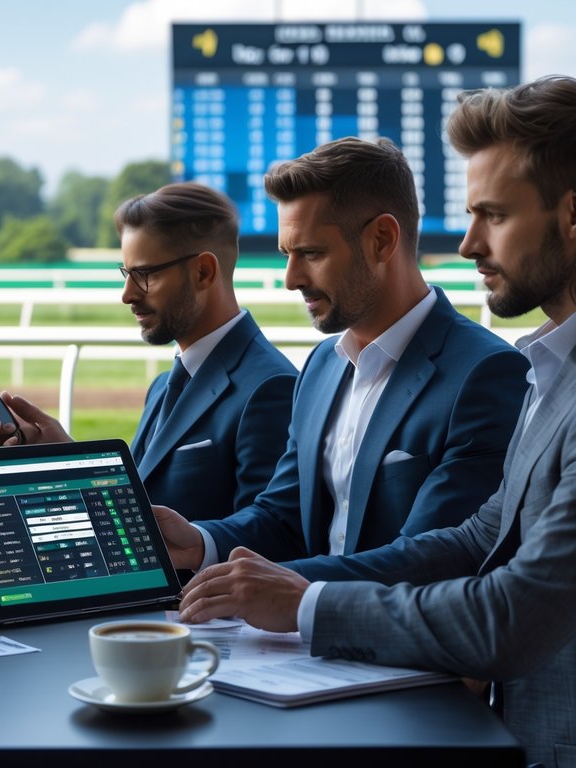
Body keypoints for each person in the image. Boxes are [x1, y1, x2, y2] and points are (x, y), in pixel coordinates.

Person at [174, 75, 576, 768]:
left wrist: (305, 606)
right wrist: (238, 569)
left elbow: (510, 614)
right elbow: (479, 534)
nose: (468, 244)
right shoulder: (551, 368)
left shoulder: (496, 371)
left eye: (494, 215)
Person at [153, 137, 530, 574]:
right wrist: (201, 543)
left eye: (311, 253)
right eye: (287, 255)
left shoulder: (487, 374)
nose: (292, 279)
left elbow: (434, 560)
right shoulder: (320, 366)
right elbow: (283, 518)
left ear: (382, 240)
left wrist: (289, 589)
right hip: (301, 634)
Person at [0, 182, 297, 523]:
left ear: (204, 272)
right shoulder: (162, 386)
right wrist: (62, 456)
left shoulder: (272, 387)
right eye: (127, 274)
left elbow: (266, 541)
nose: (127, 294)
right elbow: (136, 511)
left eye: (144, 275)